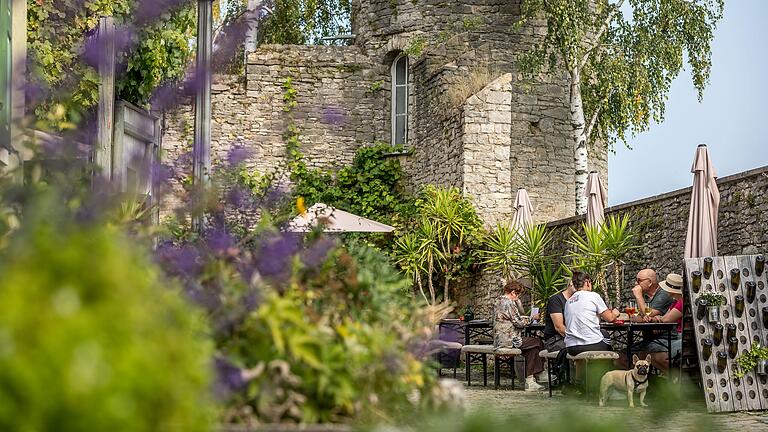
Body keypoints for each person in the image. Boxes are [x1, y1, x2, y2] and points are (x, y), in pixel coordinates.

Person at [493, 279, 546, 391]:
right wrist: (532, 318)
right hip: (509, 340)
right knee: (538, 342)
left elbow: (511, 319)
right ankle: (541, 373)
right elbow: (518, 323)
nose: (518, 298)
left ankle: (530, 381)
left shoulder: (498, 301)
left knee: (533, 349)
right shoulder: (509, 302)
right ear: (513, 292)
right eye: (518, 295)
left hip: (500, 339)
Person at [564, 271, 621, 356]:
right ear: (587, 282)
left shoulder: (569, 301)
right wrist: (616, 313)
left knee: (603, 334)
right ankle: (607, 365)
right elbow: (610, 318)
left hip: (571, 347)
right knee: (606, 336)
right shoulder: (593, 296)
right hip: (590, 344)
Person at [639, 273, 684, 373]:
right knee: (646, 352)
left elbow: (665, 320)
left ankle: (674, 379)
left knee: (648, 352)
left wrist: (654, 319)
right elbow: (664, 318)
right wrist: (658, 318)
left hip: (680, 338)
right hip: (675, 336)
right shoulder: (675, 302)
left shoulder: (681, 302)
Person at [543, 279, 576, 352]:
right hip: (555, 340)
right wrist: (577, 338)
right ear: (571, 282)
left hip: (572, 337)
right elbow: (559, 327)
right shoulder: (556, 300)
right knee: (580, 347)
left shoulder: (579, 301)